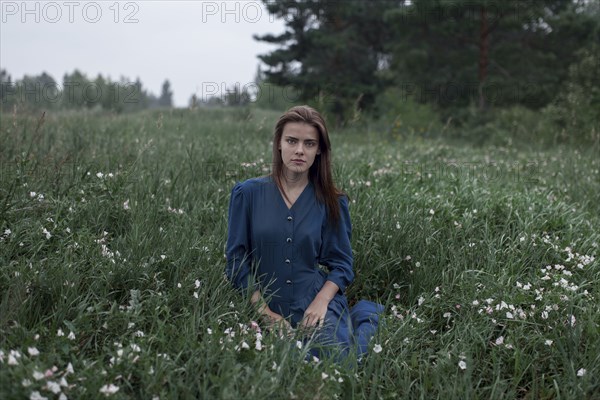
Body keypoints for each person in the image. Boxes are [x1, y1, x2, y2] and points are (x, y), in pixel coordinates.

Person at [225, 105, 383, 361]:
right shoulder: (248, 194)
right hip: (263, 301)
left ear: (319, 149)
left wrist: (321, 302)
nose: (300, 150)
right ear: (278, 143)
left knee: (337, 362)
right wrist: (265, 314)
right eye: (292, 141)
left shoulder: (331, 201)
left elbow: (341, 264)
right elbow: (236, 262)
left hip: (313, 299)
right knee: (276, 363)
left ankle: (364, 315)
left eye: (309, 144)